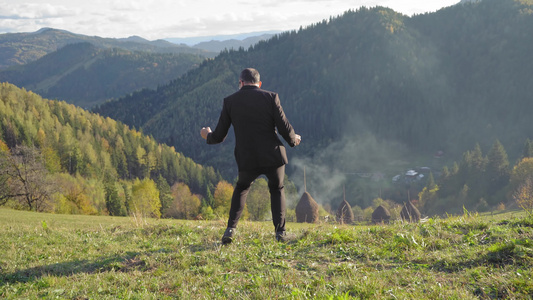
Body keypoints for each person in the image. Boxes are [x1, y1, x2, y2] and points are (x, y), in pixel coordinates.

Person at [200, 68, 301, 244]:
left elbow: (219, 136)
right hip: (273, 155)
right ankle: (280, 234)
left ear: (240, 83)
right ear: (259, 83)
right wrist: (294, 140)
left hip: (247, 157)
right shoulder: (271, 97)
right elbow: (284, 127)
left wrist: (206, 134)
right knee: (277, 189)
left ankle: (230, 229)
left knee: (242, 188)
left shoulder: (230, 101)